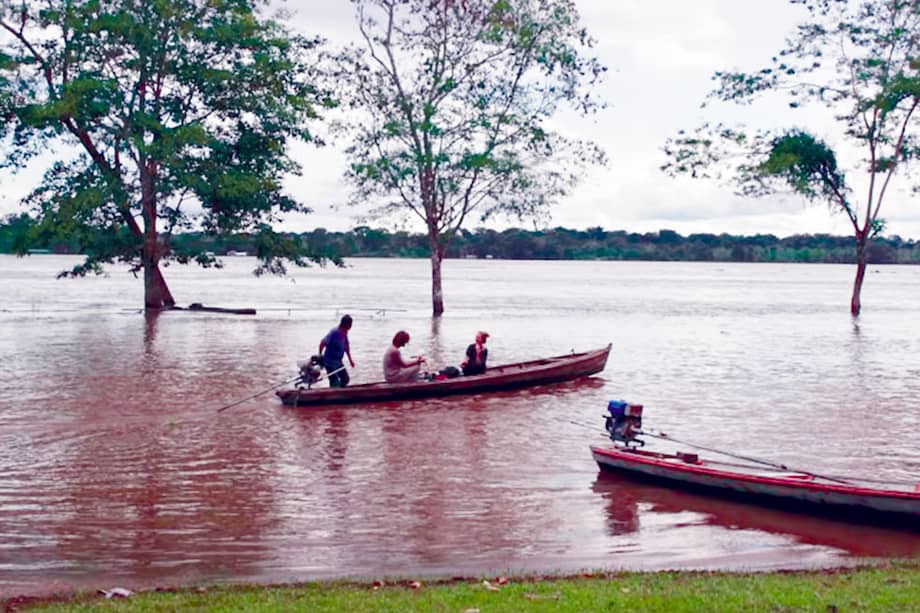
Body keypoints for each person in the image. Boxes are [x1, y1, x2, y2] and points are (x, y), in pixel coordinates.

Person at [318, 314, 355, 388]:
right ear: (346, 324)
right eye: (350, 324)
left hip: (338, 362)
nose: (351, 326)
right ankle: (334, 391)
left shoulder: (345, 333)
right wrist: (320, 355)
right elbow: (322, 343)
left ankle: (340, 391)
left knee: (345, 379)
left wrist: (350, 360)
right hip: (329, 362)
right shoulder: (334, 332)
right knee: (334, 382)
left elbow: (346, 348)